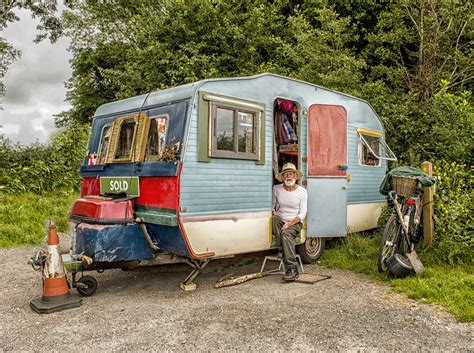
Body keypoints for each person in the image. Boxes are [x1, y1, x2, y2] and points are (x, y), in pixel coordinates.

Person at [272, 163, 307, 282]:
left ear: (296, 176)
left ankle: (292, 268)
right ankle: (284, 250)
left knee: (286, 234)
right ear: (282, 177)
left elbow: (303, 213)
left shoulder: (302, 191)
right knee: (274, 220)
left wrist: (291, 223)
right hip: (281, 220)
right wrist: (273, 212)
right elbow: (272, 206)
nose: (289, 176)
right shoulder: (276, 189)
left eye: (291, 173)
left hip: (295, 222)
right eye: (286, 174)